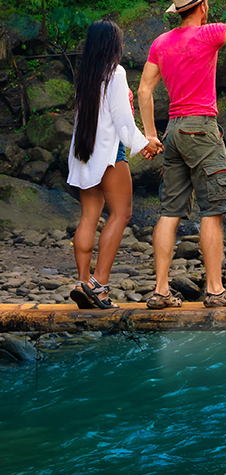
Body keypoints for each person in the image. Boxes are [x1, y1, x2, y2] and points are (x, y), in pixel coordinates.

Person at [138, 0, 226, 309]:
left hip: (174, 131)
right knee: (213, 209)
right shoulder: (208, 34)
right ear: (203, 6)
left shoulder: (160, 43)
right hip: (201, 128)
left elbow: (144, 90)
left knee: (169, 212)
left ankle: (161, 291)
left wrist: (151, 134)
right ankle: (215, 290)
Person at [67, 20, 163, 309]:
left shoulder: (86, 75)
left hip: (84, 153)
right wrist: (146, 142)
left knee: (89, 216)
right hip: (110, 154)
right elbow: (122, 121)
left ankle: (83, 282)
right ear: (113, 45)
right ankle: (100, 284)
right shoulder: (115, 73)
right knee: (121, 214)